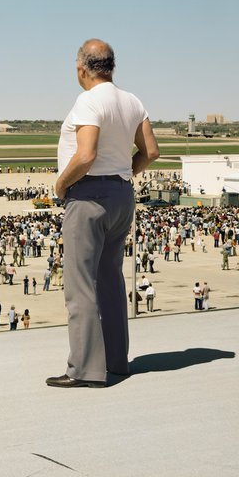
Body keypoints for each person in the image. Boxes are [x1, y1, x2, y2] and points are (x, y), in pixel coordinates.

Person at [47, 39, 159, 389]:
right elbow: (151, 151)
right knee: (111, 279)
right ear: (112, 66)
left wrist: (60, 185)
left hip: (89, 194)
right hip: (122, 194)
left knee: (80, 285)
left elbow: (86, 155)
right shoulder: (132, 101)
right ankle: (116, 361)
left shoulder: (89, 100)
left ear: (82, 68)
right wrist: (124, 173)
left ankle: (84, 369)